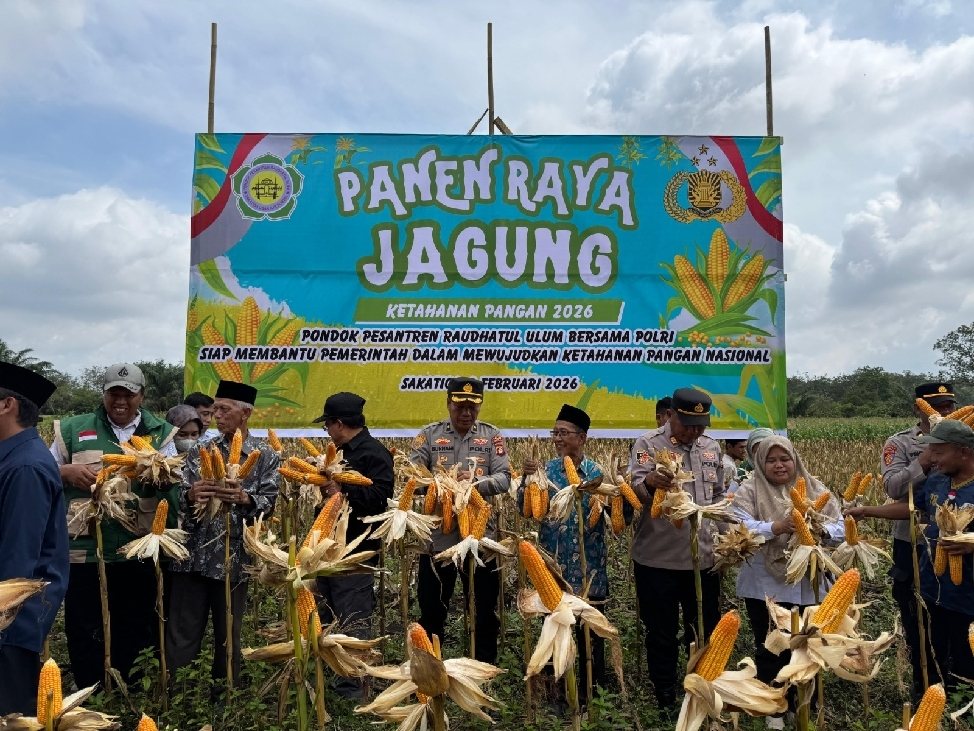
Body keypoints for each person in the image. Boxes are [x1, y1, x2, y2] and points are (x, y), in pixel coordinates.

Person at [52, 362, 179, 688]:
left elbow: (175, 484)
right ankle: (90, 689)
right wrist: (64, 473)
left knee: (136, 622)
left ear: (142, 396)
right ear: (104, 394)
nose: (120, 401)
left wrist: (160, 473)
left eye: (129, 394)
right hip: (86, 548)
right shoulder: (72, 429)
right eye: (114, 394)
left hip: (136, 546)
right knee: (83, 624)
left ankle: (132, 687)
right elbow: (40, 471)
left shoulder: (161, 433)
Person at [167, 380, 280, 691]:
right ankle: (179, 692)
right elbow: (178, 500)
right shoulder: (201, 450)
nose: (216, 415)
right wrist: (191, 495)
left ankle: (225, 692)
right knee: (183, 628)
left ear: (245, 414)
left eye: (224, 409)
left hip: (234, 559)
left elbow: (269, 504)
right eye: (215, 409)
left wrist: (245, 499)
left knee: (228, 629)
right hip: (192, 556)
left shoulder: (265, 455)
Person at [848, 419, 974, 693]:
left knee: (965, 658)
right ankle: (927, 700)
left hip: (968, 594)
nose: (932, 458)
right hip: (933, 587)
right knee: (930, 650)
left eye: (938, 451)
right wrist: (867, 511)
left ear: (964, 452)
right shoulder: (938, 480)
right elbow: (911, 508)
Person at [518, 404, 630, 703]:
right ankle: (556, 694)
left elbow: (617, 519)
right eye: (555, 432)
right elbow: (526, 510)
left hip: (589, 568)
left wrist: (619, 490)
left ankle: (591, 692)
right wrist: (526, 482)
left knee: (590, 634)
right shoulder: (545, 470)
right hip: (553, 569)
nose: (557, 438)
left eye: (563, 433)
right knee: (555, 632)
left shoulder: (596, 472)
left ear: (581, 438)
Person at [732, 435, 843, 725]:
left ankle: (805, 704)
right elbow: (737, 524)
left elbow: (842, 525)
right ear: (760, 462)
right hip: (764, 584)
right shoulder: (749, 489)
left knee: (808, 646)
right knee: (772, 647)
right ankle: (775, 709)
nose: (779, 465)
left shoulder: (815, 487)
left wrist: (823, 531)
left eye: (785, 459)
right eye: (771, 460)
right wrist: (776, 526)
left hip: (809, 583)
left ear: (795, 460)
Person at [629, 387, 725, 711]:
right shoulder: (647, 445)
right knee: (661, 632)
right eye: (689, 424)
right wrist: (649, 484)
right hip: (658, 559)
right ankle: (665, 694)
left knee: (703, 628)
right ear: (671, 415)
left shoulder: (711, 448)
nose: (695, 431)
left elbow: (720, 497)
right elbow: (636, 494)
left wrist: (729, 541)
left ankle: (700, 686)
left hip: (704, 559)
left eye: (701, 425)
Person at [409, 377, 511, 663]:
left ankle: (484, 665)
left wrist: (474, 483)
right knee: (432, 605)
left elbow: (504, 478)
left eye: (472, 407)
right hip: (439, 538)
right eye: (460, 406)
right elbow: (412, 476)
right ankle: (431, 665)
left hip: (480, 537)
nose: (466, 413)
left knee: (482, 606)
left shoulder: (492, 437)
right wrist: (441, 482)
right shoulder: (429, 436)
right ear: (448, 403)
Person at [310, 392, 393, 699]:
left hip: (356, 551)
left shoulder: (374, 454)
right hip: (329, 548)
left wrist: (340, 490)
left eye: (327, 426)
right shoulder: (339, 451)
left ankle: (353, 686)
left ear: (340, 424)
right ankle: (336, 676)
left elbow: (381, 499)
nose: (327, 432)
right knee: (330, 614)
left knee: (352, 618)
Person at [880, 381, 957, 702]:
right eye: (935, 406)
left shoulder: (965, 440)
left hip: (958, 543)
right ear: (918, 408)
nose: (943, 412)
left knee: (956, 614)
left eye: (948, 406)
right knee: (917, 616)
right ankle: (923, 683)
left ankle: (957, 683)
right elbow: (894, 488)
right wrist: (926, 458)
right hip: (912, 543)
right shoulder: (900, 444)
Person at [0, 363, 68, 715]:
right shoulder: (13, 458)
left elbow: (16, 560)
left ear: (6, 405)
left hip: (9, 624)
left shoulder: (24, 467)